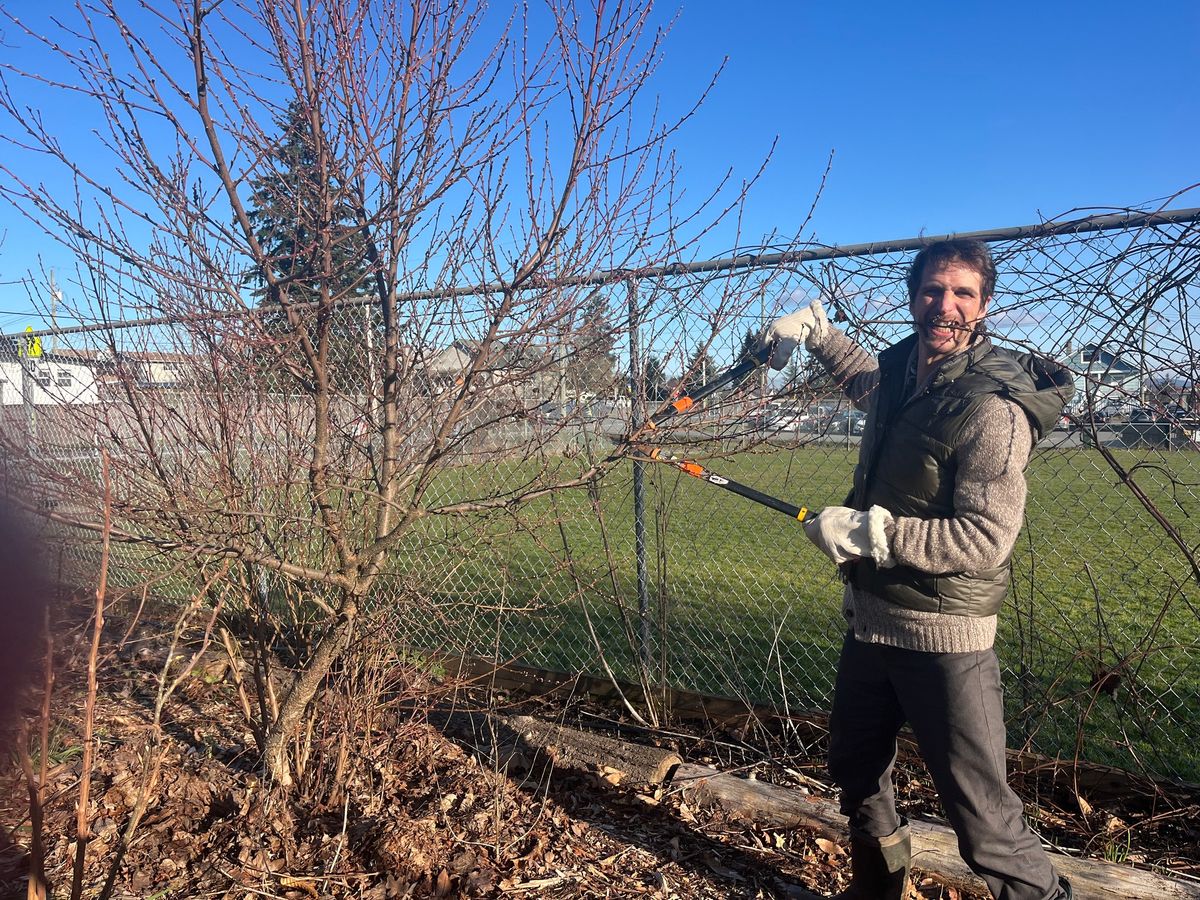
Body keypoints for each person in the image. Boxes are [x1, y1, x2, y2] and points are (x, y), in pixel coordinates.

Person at [759, 239, 1074, 900]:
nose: (945, 305)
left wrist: (877, 535)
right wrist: (820, 334)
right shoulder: (905, 375)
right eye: (933, 290)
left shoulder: (993, 409)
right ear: (913, 297)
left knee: (982, 819)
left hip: (944, 641)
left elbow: (987, 535)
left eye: (962, 293)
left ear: (984, 305)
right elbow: (866, 385)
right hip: (872, 624)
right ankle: (880, 891)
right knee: (855, 769)